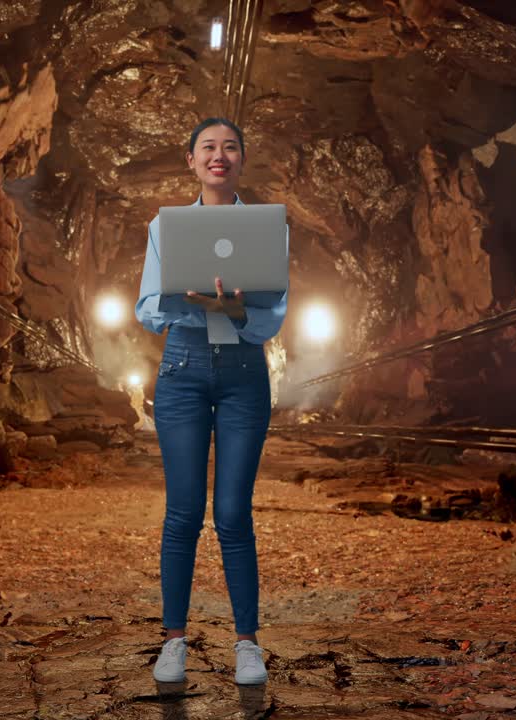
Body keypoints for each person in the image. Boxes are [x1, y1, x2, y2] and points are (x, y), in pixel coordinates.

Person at [134, 117, 288, 686]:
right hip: (183, 370)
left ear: (241, 159)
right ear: (192, 161)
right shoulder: (165, 226)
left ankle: (247, 645)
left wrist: (237, 311)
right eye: (207, 147)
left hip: (244, 374)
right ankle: (174, 641)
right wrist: (189, 302)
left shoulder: (269, 226)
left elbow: (275, 314)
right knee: (182, 512)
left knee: (232, 513)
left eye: (229, 147)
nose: (218, 155)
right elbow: (146, 309)